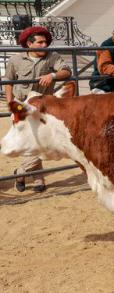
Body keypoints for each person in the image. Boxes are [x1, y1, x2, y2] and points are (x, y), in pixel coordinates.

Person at [3, 26, 71, 193]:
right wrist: (11, 103)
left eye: (46, 42)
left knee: (41, 141)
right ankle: (38, 177)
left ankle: (20, 173)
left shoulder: (52, 57)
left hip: (43, 106)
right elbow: (8, 81)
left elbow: (67, 71)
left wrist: (52, 76)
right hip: (21, 106)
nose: (44, 45)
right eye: (40, 42)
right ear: (29, 44)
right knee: (30, 140)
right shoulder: (16, 59)